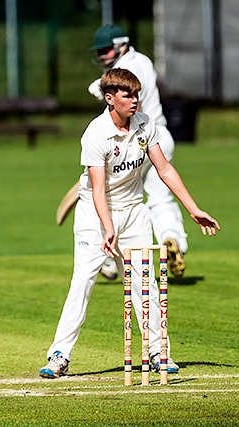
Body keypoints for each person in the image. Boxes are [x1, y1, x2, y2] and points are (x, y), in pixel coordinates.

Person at [40, 68, 220, 379]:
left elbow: (164, 169)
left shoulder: (145, 125)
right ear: (110, 99)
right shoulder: (95, 134)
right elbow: (97, 189)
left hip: (134, 211)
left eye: (136, 94)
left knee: (143, 281)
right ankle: (59, 355)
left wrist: (193, 209)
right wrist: (108, 228)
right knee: (84, 279)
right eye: (128, 95)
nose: (135, 100)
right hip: (95, 215)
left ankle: (156, 350)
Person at [88, 24, 188, 278]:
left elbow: (126, 106)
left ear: (121, 44)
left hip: (136, 140)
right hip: (161, 135)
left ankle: (108, 258)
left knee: (109, 197)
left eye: (106, 49)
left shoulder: (126, 70)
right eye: (99, 50)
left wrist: (101, 89)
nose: (102, 55)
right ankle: (171, 237)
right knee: (160, 198)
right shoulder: (143, 60)